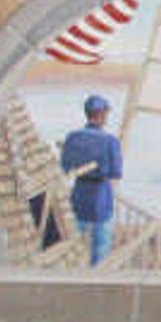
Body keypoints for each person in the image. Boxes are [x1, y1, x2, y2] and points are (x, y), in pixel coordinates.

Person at [57, 94, 125, 267]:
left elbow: (65, 166)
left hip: (79, 195)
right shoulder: (110, 141)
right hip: (101, 197)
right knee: (100, 250)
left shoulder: (73, 137)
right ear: (102, 115)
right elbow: (116, 173)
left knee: (73, 245)